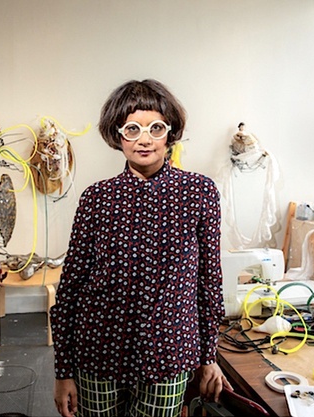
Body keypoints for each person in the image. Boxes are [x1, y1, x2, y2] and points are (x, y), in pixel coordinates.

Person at [51, 79, 231, 417]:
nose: (144, 139)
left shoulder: (199, 193)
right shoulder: (96, 198)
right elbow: (71, 289)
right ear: (118, 135)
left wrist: (210, 357)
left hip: (168, 354)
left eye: (155, 128)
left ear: (170, 133)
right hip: (98, 352)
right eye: (132, 129)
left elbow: (209, 283)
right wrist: (63, 371)